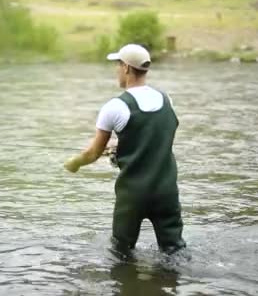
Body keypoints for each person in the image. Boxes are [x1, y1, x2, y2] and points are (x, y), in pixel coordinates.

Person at [64, 43, 186, 256]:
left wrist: (74, 163)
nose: (116, 70)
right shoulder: (167, 100)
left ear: (127, 68)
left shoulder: (115, 107)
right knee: (175, 252)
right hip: (167, 192)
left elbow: (92, 154)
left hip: (133, 194)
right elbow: (159, 137)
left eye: (118, 65)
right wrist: (123, 146)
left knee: (121, 253)